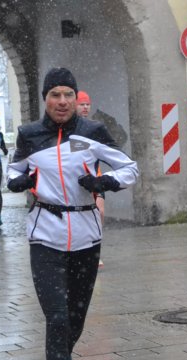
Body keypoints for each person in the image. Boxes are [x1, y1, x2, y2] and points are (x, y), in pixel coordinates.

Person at [7, 67, 138, 360]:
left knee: (75, 322)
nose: (62, 102)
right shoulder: (30, 135)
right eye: (55, 95)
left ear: (75, 98)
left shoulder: (92, 132)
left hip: (85, 238)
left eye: (68, 94)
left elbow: (130, 168)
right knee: (57, 319)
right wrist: (20, 181)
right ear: (45, 99)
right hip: (45, 236)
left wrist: (105, 182)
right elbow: (14, 171)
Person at [76, 91, 107, 268]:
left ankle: (97, 252)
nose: (86, 107)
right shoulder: (70, 129)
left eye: (87, 104)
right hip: (76, 179)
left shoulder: (94, 128)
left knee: (99, 212)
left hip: (96, 177)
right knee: (80, 216)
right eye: (82, 104)